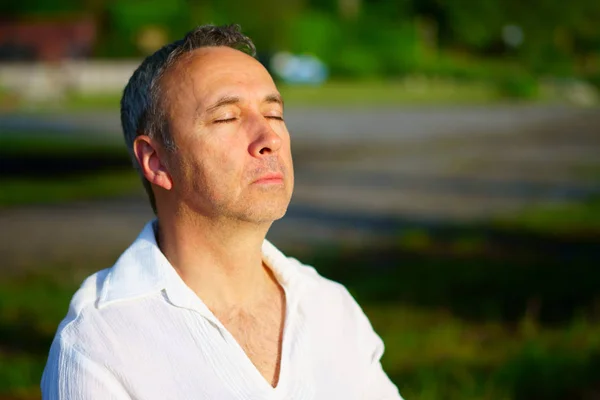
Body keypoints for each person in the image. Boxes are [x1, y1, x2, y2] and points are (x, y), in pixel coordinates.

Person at [41, 24, 402, 400]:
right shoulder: (100, 343)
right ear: (156, 160)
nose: (270, 139)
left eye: (274, 114)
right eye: (227, 117)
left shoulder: (331, 308)